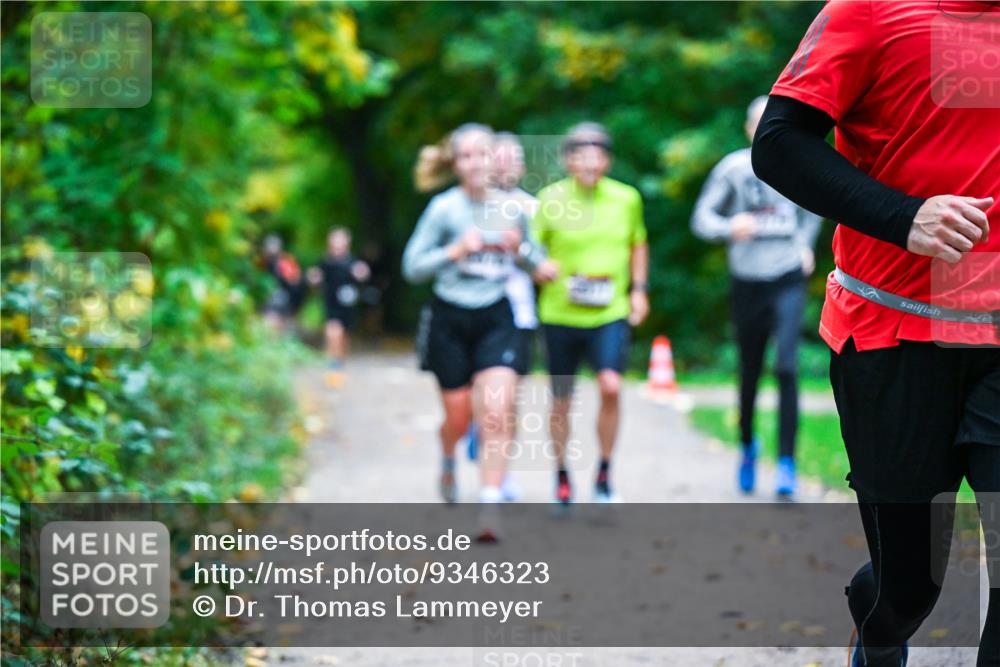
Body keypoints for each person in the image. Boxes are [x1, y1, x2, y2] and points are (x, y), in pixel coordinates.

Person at [752, 2, 998, 665]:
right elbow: (779, 144)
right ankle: (880, 627)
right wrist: (903, 216)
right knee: (909, 585)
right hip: (896, 334)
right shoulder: (870, 11)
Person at [402, 123, 550, 521]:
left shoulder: (514, 209)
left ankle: (489, 501)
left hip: (496, 314)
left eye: (482, 154)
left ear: (493, 159)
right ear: (456, 163)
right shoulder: (443, 209)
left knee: (498, 410)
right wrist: (453, 250)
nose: (475, 163)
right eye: (465, 156)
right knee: (459, 416)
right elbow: (412, 267)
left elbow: (541, 262)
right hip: (449, 316)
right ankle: (449, 454)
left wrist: (521, 249)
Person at [691, 96, 822, 498]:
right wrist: (730, 227)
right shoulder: (732, 168)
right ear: (749, 129)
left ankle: (787, 462)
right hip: (747, 280)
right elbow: (701, 219)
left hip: (786, 276)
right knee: (749, 371)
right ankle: (748, 446)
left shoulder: (794, 164)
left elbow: (816, 206)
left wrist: (804, 244)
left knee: (785, 366)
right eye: (758, 122)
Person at [532, 122, 649, 504]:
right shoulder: (549, 199)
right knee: (562, 398)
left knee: (611, 386)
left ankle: (603, 471)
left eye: (598, 155)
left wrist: (638, 291)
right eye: (581, 156)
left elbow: (638, 243)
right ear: (567, 160)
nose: (590, 163)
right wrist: (539, 267)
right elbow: (530, 248)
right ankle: (562, 475)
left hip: (609, 310)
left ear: (608, 160)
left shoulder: (626, 198)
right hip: (560, 313)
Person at [464, 132, 540, 502]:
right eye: (501, 157)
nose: (507, 164)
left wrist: (521, 248)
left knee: (510, 399)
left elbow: (543, 261)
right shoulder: (470, 205)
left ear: (523, 166)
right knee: (483, 396)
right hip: (474, 309)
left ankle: (502, 472)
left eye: (514, 158)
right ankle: (480, 434)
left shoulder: (532, 209)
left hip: (519, 313)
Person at [308, 227, 370, 376]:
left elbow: (363, 274)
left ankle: (339, 357)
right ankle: (332, 358)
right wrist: (313, 278)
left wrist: (362, 273)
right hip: (330, 300)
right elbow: (315, 276)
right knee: (333, 327)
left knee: (344, 331)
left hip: (347, 302)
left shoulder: (352, 260)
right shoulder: (325, 261)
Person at [260, 234, 305, 333]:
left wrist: (295, 308)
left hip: (284, 297)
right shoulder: (262, 262)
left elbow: (295, 284)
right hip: (269, 297)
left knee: (274, 323)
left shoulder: (285, 262)